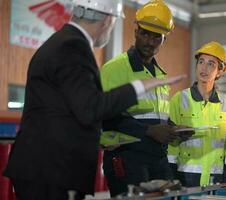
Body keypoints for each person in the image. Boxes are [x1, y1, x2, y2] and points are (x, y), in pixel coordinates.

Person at [3, 0, 185, 199]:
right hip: (50, 168)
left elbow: (74, 108)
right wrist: (139, 87)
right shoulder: (72, 48)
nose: (150, 41)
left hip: (47, 166)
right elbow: (91, 108)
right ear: (108, 20)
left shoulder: (63, 43)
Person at [99, 0, 193, 197]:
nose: (150, 42)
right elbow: (105, 115)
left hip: (157, 157)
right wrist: (149, 131)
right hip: (127, 159)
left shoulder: (159, 74)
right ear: (136, 32)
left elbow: (156, 115)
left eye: (156, 37)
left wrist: (173, 128)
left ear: (164, 40)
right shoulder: (115, 69)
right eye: (145, 34)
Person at [168, 41, 226, 187]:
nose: (204, 67)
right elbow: (170, 142)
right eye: (201, 62)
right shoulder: (179, 99)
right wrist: (171, 176)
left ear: (219, 71)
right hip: (185, 177)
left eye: (211, 64)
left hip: (216, 177)